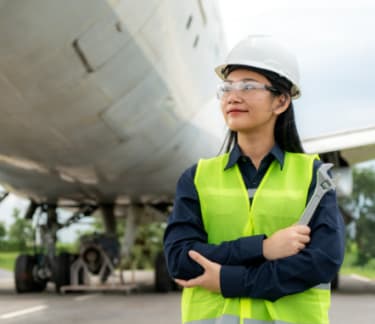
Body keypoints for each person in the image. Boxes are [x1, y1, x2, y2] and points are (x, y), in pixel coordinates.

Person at [163, 35, 345, 324]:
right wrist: (263, 248)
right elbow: (179, 259)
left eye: (248, 86)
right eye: (227, 88)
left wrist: (228, 280)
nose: (233, 96)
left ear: (281, 101)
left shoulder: (313, 176)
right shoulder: (196, 177)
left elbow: (321, 262)